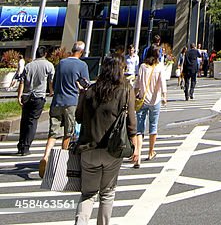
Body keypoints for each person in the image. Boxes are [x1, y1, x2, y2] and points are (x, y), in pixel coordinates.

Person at [74, 53, 136, 225]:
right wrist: (136, 146)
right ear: (120, 69)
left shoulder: (91, 90)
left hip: (88, 148)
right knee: (107, 193)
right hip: (112, 149)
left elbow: (78, 117)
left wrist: (82, 96)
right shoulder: (125, 90)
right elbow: (131, 122)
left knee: (88, 194)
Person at [40, 41, 90, 178]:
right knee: (68, 132)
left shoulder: (61, 63)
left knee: (53, 132)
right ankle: (62, 160)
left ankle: (46, 155)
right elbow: (86, 84)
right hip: (71, 102)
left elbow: (55, 82)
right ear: (81, 52)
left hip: (57, 101)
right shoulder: (82, 65)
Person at [17, 47, 54, 155]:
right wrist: (51, 91)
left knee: (24, 120)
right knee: (32, 121)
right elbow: (50, 81)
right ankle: (26, 147)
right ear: (45, 54)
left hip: (27, 95)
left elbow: (22, 81)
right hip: (39, 96)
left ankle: (21, 145)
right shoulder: (49, 65)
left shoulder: (29, 65)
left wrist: (19, 96)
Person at [134, 45, 167, 164]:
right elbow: (162, 82)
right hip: (155, 100)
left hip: (142, 100)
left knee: (139, 128)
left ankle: (137, 154)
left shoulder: (142, 66)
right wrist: (164, 95)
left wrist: (134, 96)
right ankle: (151, 151)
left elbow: (137, 84)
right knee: (153, 126)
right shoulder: (159, 67)